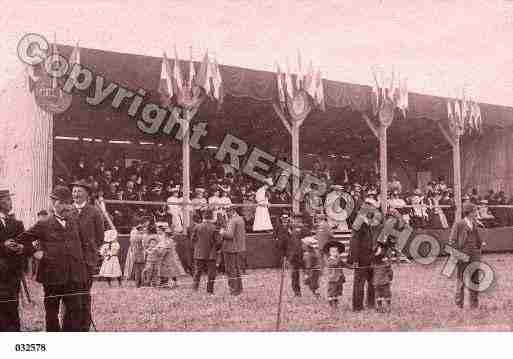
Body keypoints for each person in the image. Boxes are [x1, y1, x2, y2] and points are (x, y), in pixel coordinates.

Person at [18, 186, 89, 331]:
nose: (64, 206)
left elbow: (84, 243)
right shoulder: (43, 224)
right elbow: (21, 239)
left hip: (73, 277)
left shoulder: (75, 222)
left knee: (74, 312)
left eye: (66, 203)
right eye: (60, 202)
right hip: (52, 277)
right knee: (52, 313)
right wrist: (35, 252)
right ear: (53, 203)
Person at [70, 180, 105, 331]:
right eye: (74, 191)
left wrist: (90, 251)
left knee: (84, 293)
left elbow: (100, 238)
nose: (75, 194)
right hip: (70, 261)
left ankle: (84, 325)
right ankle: (71, 325)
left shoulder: (94, 212)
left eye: (79, 191)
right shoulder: (68, 210)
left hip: (87, 261)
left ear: (87, 194)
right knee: (71, 294)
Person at [0, 189, 34, 331]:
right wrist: (3, 246)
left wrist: (21, 248)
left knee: (12, 310)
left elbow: (29, 247)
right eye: (7, 199)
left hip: (12, 275)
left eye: (10, 199)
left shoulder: (17, 223)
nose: (10, 202)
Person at [449, 203, 486, 309]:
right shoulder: (459, 224)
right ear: (469, 213)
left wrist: (480, 245)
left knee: (475, 280)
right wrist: (456, 254)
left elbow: (478, 237)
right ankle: (459, 304)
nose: (476, 213)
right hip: (463, 255)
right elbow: (452, 240)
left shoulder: (474, 223)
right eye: (475, 211)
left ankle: (474, 305)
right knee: (461, 280)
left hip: (474, 255)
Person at [347, 200, 378, 311]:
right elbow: (354, 242)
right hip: (361, 258)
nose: (374, 210)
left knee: (372, 281)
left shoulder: (370, 222)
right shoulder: (359, 222)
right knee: (359, 283)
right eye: (372, 208)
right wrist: (354, 259)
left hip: (371, 257)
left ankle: (371, 303)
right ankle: (357, 307)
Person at [191, 209, 219, 294]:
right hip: (211, 254)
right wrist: (216, 249)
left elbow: (193, 239)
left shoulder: (197, 227)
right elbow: (218, 242)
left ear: (203, 217)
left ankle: (194, 288)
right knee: (211, 273)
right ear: (211, 217)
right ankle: (209, 291)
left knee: (197, 272)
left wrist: (198, 246)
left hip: (199, 253)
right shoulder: (214, 228)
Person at [220, 205, 246, 295]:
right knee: (237, 269)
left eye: (227, 211)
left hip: (230, 248)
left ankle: (233, 290)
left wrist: (222, 232)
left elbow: (230, 235)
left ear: (232, 211)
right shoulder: (240, 219)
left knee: (230, 270)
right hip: (238, 248)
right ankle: (239, 288)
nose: (227, 213)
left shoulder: (232, 220)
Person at [323, 241, 348, 309]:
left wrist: (352, 267)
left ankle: (336, 304)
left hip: (339, 278)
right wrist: (338, 258)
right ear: (330, 253)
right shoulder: (330, 260)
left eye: (336, 251)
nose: (335, 253)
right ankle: (332, 304)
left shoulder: (339, 259)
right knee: (332, 291)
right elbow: (335, 264)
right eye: (333, 252)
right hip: (332, 279)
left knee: (338, 291)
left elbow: (344, 264)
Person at [372, 242, 394, 313]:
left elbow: (390, 271)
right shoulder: (374, 262)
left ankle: (386, 306)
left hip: (383, 281)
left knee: (385, 294)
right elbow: (390, 272)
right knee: (379, 295)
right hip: (379, 282)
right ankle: (381, 306)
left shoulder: (385, 263)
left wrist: (390, 278)